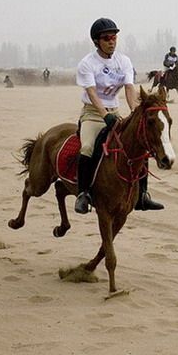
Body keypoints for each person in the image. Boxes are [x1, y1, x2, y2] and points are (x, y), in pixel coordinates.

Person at [74, 17, 163, 214]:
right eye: (106, 38)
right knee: (88, 147)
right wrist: (104, 115)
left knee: (140, 143)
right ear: (97, 41)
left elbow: (129, 88)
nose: (111, 41)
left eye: (114, 37)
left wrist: (134, 112)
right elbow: (91, 92)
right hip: (93, 114)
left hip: (115, 111)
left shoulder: (123, 61)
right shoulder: (87, 63)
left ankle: (142, 195)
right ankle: (83, 194)